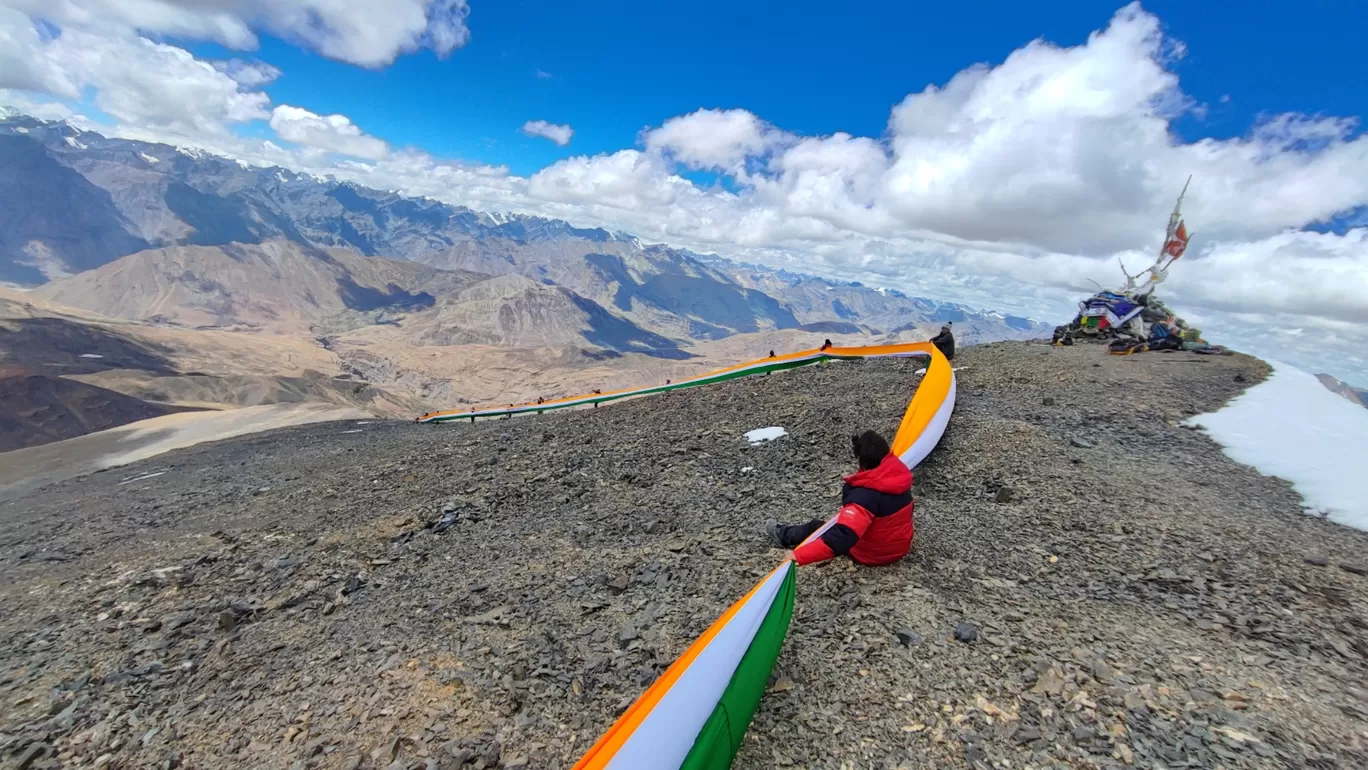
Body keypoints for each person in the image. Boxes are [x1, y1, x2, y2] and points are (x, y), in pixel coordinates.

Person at [764, 430, 914, 566]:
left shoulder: (864, 497)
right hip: (898, 548)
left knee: (817, 526)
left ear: (863, 461)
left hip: (872, 554)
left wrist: (799, 556)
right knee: (838, 522)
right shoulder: (899, 478)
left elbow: (843, 536)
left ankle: (783, 535)